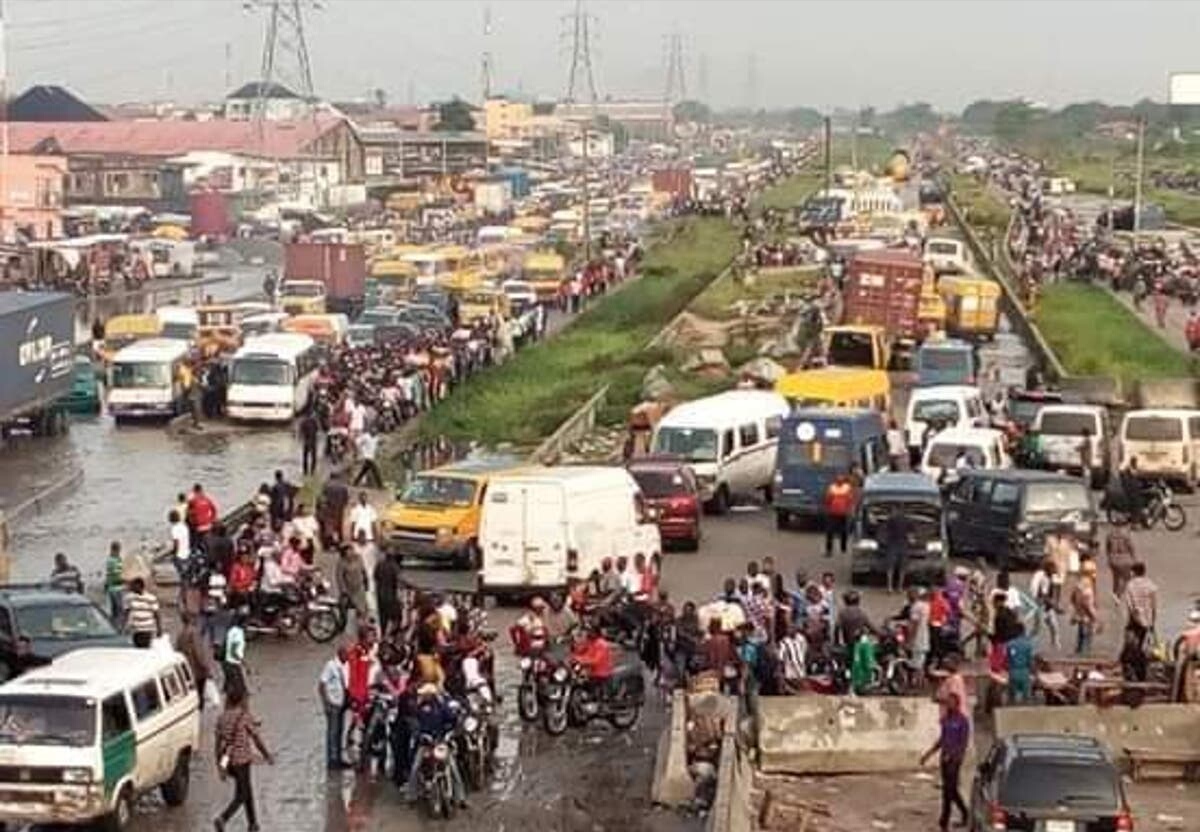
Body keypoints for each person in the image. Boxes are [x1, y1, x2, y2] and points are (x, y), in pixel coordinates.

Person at [213, 685, 273, 832]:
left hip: (228, 760)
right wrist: (267, 755)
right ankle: (223, 818)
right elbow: (256, 739)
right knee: (243, 794)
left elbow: (217, 745)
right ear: (241, 700)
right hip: (242, 761)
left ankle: (253, 824)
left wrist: (220, 766)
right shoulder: (244, 716)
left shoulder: (221, 718)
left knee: (246, 789)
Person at [921, 690, 971, 832]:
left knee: (948, 791)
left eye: (951, 702)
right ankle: (964, 813)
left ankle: (944, 821)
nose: (948, 705)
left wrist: (955, 756)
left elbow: (963, 743)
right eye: (947, 702)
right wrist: (928, 754)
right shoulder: (945, 720)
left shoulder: (962, 721)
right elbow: (942, 739)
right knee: (950, 790)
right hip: (944, 758)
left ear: (957, 704)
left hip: (954, 760)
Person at [174, 610, 215, 712]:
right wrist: (207, 669)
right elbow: (199, 653)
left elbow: (177, 652)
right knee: (200, 697)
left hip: (187, 672)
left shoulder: (180, 635)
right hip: (198, 671)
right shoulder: (194, 633)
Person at [318, 644, 348, 769]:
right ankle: (332, 760)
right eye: (346, 654)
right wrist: (326, 702)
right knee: (332, 732)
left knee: (340, 731)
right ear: (340, 654)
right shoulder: (330, 666)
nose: (348, 657)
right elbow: (321, 684)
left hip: (342, 703)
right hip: (333, 703)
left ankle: (338, 757)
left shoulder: (345, 666)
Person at [1123, 561, 1158, 655]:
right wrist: (1153, 619)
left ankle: (1133, 656)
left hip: (1135, 617)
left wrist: (1134, 616)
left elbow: (1129, 604)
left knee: (1131, 638)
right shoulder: (1150, 584)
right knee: (1143, 639)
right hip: (1147, 617)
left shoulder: (1130, 585)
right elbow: (1154, 604)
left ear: (1133, 572)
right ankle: (1139, 656)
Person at [336, 544, 370, 630]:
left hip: (359, 588)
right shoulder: (342, 562)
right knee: (343, 608)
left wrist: (366, 582)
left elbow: (363, 571)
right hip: (349, 589)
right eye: (348, 551)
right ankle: (342, 624)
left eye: (352, 550)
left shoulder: (358, 558)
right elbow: (340, 577)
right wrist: (343, 590)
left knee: (362, 609)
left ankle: (362, 626)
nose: (351, 553)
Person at [1071, 557, 1099, 655]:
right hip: (1086, 613)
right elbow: (1086, 602)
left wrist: (1076, 609)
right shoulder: (1087, 585)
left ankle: (1080, 650)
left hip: (1081, 612)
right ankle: (1085, 651)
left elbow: (1073, 598)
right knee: (1086, 632)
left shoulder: (1079, 583)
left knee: (1081, 631)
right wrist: (1094, 616)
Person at [1029, 558, 1059, 650]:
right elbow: (1042, 595)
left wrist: (1053, 603)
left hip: (1048, 606)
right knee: (1038, 628)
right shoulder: (1042, 578)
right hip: (1041, 606)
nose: (1054, 570)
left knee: (1054, 625)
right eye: (1053, 568)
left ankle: (1055, 643)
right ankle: (1030, 643)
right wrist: (1053, 604)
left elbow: (1055, 589)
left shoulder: (1052, 577)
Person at [822, 473, 855, 557]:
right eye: (838, 478)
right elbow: (828, 499)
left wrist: (850, 510)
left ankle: (843, 547)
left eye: (841, 478)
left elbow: (850, 500)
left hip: (843, 513)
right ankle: (829, 550)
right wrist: (827, 508)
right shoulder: (832, 488)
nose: (839, 479)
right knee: (830, 532)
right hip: (833, 513)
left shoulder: (847, 488)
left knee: (843, 531)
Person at [124, 577, 161, 648]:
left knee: (145, 648)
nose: (132, 588)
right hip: (135, 629)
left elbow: (156, 614)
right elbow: (126, 613)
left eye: (134, 586)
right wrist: (125, 627)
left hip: (147, 629)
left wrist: (159, 629)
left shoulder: (151, 598)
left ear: (140, 586)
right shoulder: (129, 598)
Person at [1106, 526, 1138, 604]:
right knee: (1127, 578)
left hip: (1113, 559)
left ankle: (1114, 594)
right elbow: (1131, 548)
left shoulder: (1110, 534)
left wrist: (1109, 558)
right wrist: (1135, 559)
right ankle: (1118, 595)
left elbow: (1107, 548)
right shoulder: (1126, 535)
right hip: (1124, 559)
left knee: (1116, 578)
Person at [1005, 622, 1034, 704]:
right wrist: (1033, 672)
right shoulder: (1028, 644)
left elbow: (1007, 660)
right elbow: (1030, 660)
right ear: (1023, 631)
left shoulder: (1010, 644)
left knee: (1011, 698)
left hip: (1013, 672)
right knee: (1026, 698)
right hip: (1024, 672)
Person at [374, 552, 402, 637]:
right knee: (395, 617)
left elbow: (375, 576)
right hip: (391, 595)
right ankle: (392, 635)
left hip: (380, 593)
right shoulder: (394, 567)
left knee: (383, 617)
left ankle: (383, 633)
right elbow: (398, 581)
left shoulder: (379, 564)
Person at [883, 508, 910, 594]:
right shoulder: (907, 520)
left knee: (890, 567)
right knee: (902, 567)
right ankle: (900, 588)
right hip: (903, 545)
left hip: (892, 545)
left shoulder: (890, 520)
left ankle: (889, 587)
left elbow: (885, 531)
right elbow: (911, 534)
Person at [223, 611, 248, 696]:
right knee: (240, 691)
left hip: (227, 663)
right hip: (233, 664)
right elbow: (234, 651)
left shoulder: (231, 631)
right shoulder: (238, 633)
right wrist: (244, 663)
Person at [777, 624, 807, 693]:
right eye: (789, 628)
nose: (791, 630)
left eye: (793, 628)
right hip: (790, 667)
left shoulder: (801, 638)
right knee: (794, 682)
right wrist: (780, 669)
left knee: (802, 682)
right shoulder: (784, 641)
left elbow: (805, 649)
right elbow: (781, 657)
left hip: (801, 664)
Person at [104, 541, 125, 621]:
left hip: (119, 588)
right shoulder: (111, 561)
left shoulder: (118, 559)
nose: (119, 552)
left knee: (119, 609)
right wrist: (125, 579)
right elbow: (115, 575)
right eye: (118, 550)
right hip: (114, 588)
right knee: (117, 609)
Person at [299, 410, 320, 477]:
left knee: (305, 457)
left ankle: (305, 472)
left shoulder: (303, 422)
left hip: (307, 441)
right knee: (313, 458)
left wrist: (301, 438)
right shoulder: (314, 421)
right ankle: (312, 472)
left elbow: (301, 432)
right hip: (313, 441)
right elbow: (317, 430)